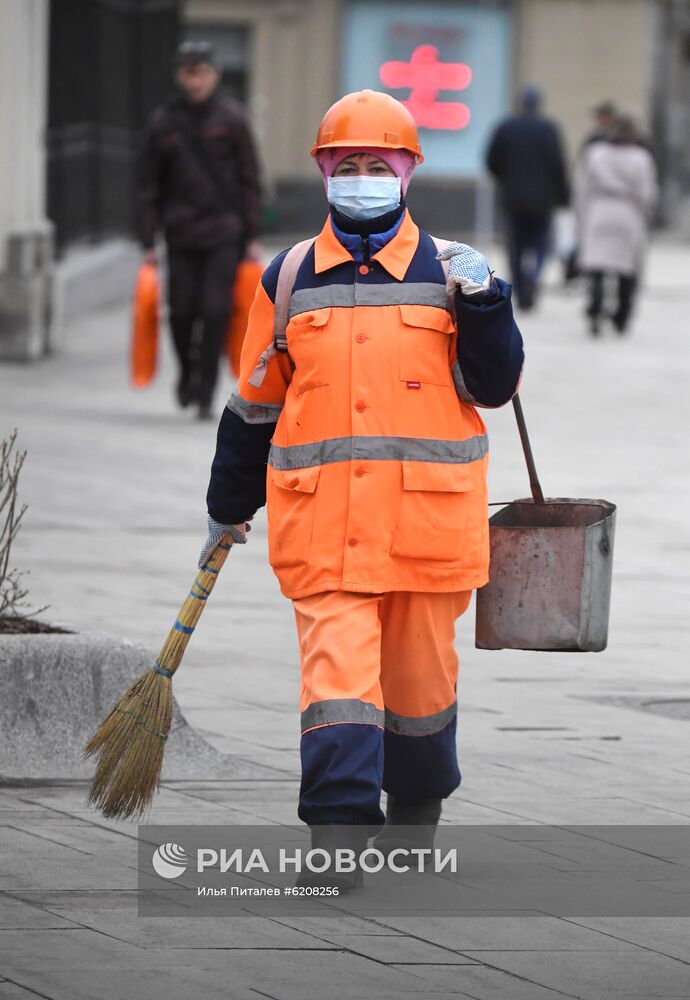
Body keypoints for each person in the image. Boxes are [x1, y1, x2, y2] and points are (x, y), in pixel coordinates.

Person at [200, 90, 524, 889]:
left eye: (378, 165)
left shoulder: (450, 271)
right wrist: (227, 505)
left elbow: (496, 383)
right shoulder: (287, 278)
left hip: (427, 527)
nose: (362, 178)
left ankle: (416, 814)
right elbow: (254, 403)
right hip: (324, 526)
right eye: (348, 166)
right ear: (323, 174)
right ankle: (338, 838)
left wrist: (487, 304)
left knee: (419, 688)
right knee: (338, 683)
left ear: (408, 173)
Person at [138, 41, 262, 419]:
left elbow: (249, 178)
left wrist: (252, 233)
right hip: (180, 232)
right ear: (179, 75)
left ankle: (206, 390)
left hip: (224, 230)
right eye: (188, 72)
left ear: (214, 74)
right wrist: (147, 238)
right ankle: (187, 374)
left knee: (215, 310)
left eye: (201, 72)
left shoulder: (232, 118)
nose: (195, 80)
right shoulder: (163, 122)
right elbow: (148, 185)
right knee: (179, 312)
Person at [486, 86, 570, 309]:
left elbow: (491, 160)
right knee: (541, 243)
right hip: (542, 200)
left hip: (513, 198)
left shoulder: (506, 127)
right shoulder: (548, 129)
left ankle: (520, 287)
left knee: (515, 245)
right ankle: (533, 275)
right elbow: (558, 165)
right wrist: (563, 196)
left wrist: (505, 179)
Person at [575, 116, 658, 335]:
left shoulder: (596, 153)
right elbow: (648, 193)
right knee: (626, 268)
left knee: (597, 265)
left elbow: (582, 188)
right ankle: (622, 315)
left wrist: (581, 217)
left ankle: (595, 307)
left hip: (599, 210)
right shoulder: (641, 158)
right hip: (628, 213)